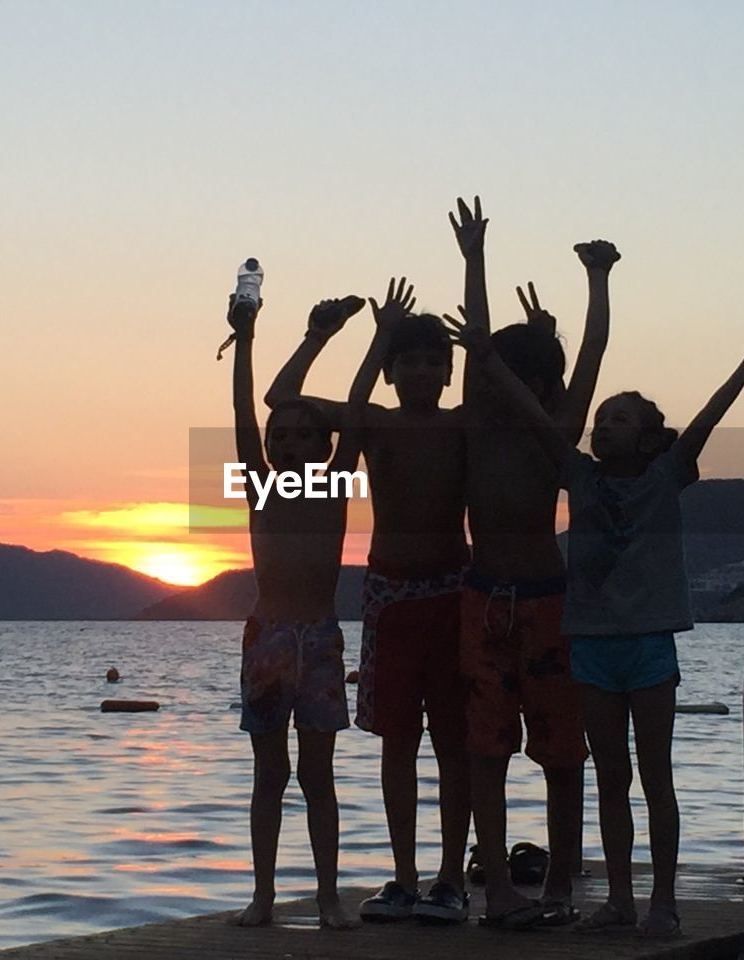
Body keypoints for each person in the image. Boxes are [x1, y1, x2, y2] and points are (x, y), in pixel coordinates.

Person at [443, 309, 744, 939]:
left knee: (654, 775)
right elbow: (533, 416)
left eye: (619, 418)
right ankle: (617, 899)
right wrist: (486, 353)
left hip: (646, 646)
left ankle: (662, 900)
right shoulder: (578, 476)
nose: (603, 425)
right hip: (590, 647)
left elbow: (703, 423)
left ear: (645, 439)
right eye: (602, 416)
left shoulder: (666, 477)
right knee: (610, 777)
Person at [265, 280, 472, 924]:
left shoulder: (463, 424)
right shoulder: (374, 424)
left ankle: (450, 878)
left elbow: (525, 406)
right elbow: (280, 399)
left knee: (454, 739)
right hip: (389, 593)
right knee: (397, 741)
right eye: (407, 361)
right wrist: (338, 335)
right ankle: (405, 876)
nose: (420, 371)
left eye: (432, 361)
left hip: (452, 589)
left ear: (447, 370)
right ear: (388, 372)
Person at [448, 195, 620, 929]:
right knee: (485, 748)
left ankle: (556, 883)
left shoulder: (556, 433)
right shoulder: (476, 432)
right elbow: (477, 349)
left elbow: (591, 357)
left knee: (561, 750)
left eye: (530, 382)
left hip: (549, 600)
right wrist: (475, 259)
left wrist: (598, 280)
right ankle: (496, 886)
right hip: (484, 597)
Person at [227, 293, 363, 931]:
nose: (286, 442)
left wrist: (374, 339)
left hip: (321, 638)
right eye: (280, 435)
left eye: (303, 433)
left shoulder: (335, 485)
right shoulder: (259, 483)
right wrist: (246, 339)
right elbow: (241, 412)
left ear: (326, 443)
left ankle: (329, 895)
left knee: (317, 774)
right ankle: (263, 897)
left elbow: (358, 413)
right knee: (269, 774)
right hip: (268, 638)